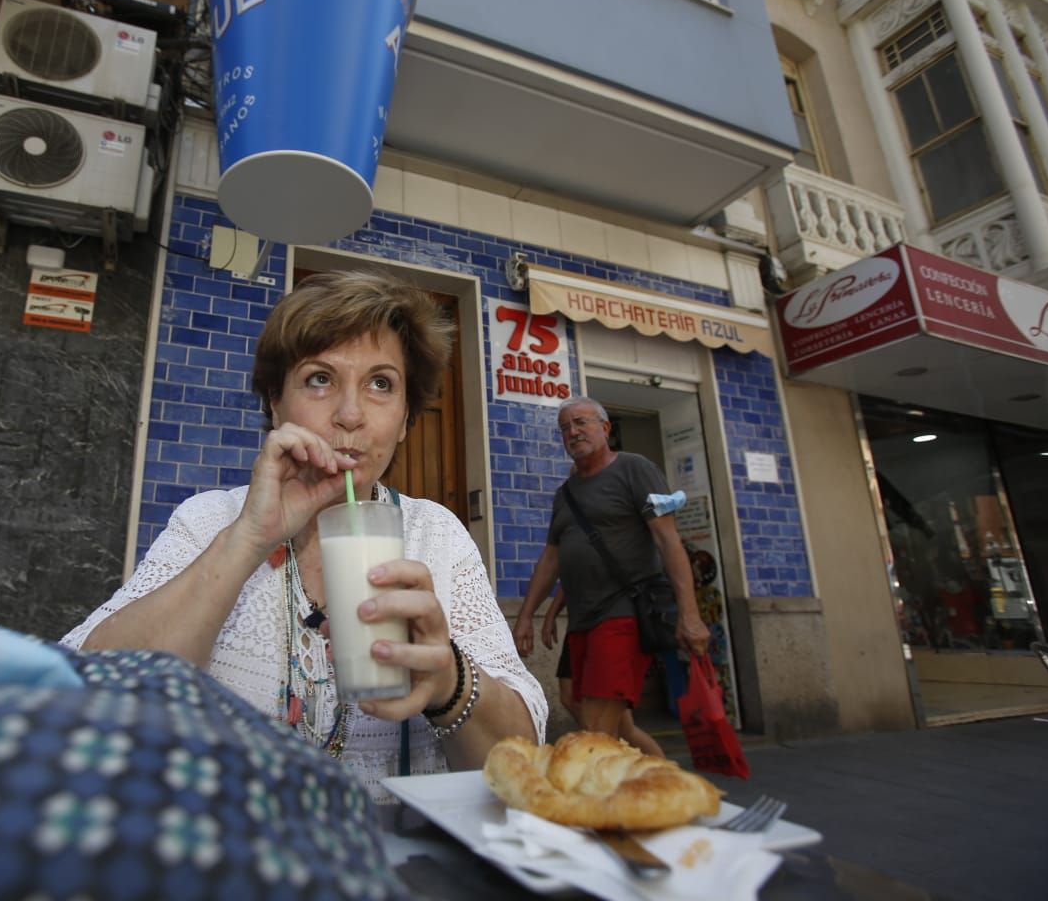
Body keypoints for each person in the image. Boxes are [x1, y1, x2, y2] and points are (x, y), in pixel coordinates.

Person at [62, 270, 544, 799]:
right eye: (320, 379)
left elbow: (522, 754)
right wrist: (248, 538)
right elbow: (83, 697)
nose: (350, 415)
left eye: (381, 384)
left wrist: (449, 680)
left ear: (406, 419)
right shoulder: (211, 521)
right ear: (275, 403)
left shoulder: (436, 534)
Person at [512, 396, 708, 756]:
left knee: (599, 727)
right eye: (565, 428)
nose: (572, 432)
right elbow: (553, 558)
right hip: (583, 617)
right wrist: (529, 615)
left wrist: (690, 615)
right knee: (584, 704)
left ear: (605, 428)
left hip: (623, 612)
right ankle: (662, 779)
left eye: (581, 423)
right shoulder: (566, 494)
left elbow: (668, 541)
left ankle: (604, 804)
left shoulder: (635, 468)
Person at [539, 585, 581, 725]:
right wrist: (551, 615)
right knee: (568, 695)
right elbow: (568, 576)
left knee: (622, 722)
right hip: (579, 623)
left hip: (606, 621)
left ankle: (603, 739)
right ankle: (597, 736)